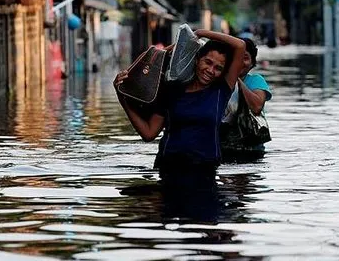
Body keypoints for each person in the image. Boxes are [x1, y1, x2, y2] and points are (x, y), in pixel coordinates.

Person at [114, 30, 246, 183]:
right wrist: (121, 96)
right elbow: (148, 133)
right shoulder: (172, 90)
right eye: (208, 62)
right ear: (197, 59)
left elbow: (240, 45)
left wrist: (201, 32)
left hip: (206, 169)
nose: (211, 71)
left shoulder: (220, 91)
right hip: (169, 168)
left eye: (218, 68)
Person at [220, 38, 272, 162]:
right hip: (223, 147)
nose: (239, 62)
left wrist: (235, 79)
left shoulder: (256, 80)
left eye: (245, 58)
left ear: (252, 63)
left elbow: (257, 106)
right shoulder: (218, 81)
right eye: (235, 57)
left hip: (251, 150)